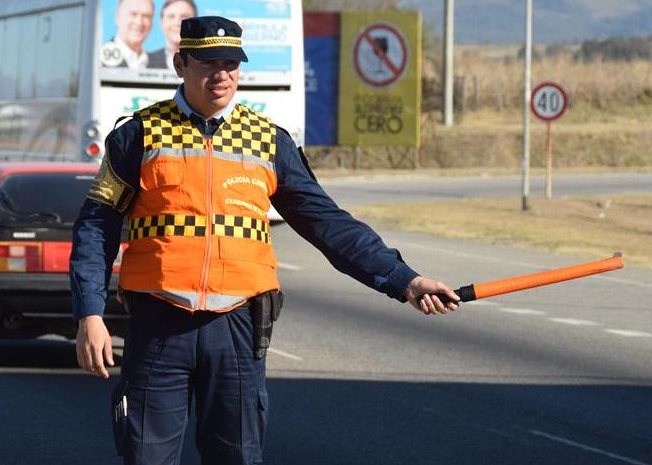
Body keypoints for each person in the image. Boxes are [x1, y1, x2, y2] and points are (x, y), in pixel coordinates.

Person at [71, 16, 460, 465]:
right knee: (146, 457)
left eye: (231, 63)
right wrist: (89, 314)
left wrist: (404, 280)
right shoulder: (137, 135)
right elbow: (94, 228)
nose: (222, 75)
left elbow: (327, 224)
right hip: (159, 326)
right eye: (208, 63)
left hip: (237, 329)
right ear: (180, 63)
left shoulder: (268, 141)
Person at [101, 0, 154, 69]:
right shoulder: (98, 59)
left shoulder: (160, 65)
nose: (139, 22)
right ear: (117, 17)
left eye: (146, 16)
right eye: (133, 14)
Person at [147, 0, 197, 70]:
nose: (177, 23)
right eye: (171, 16)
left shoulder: (206, 60)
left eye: (184, 17)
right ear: (161, 23)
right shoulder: (145, 60)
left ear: (196, 24)